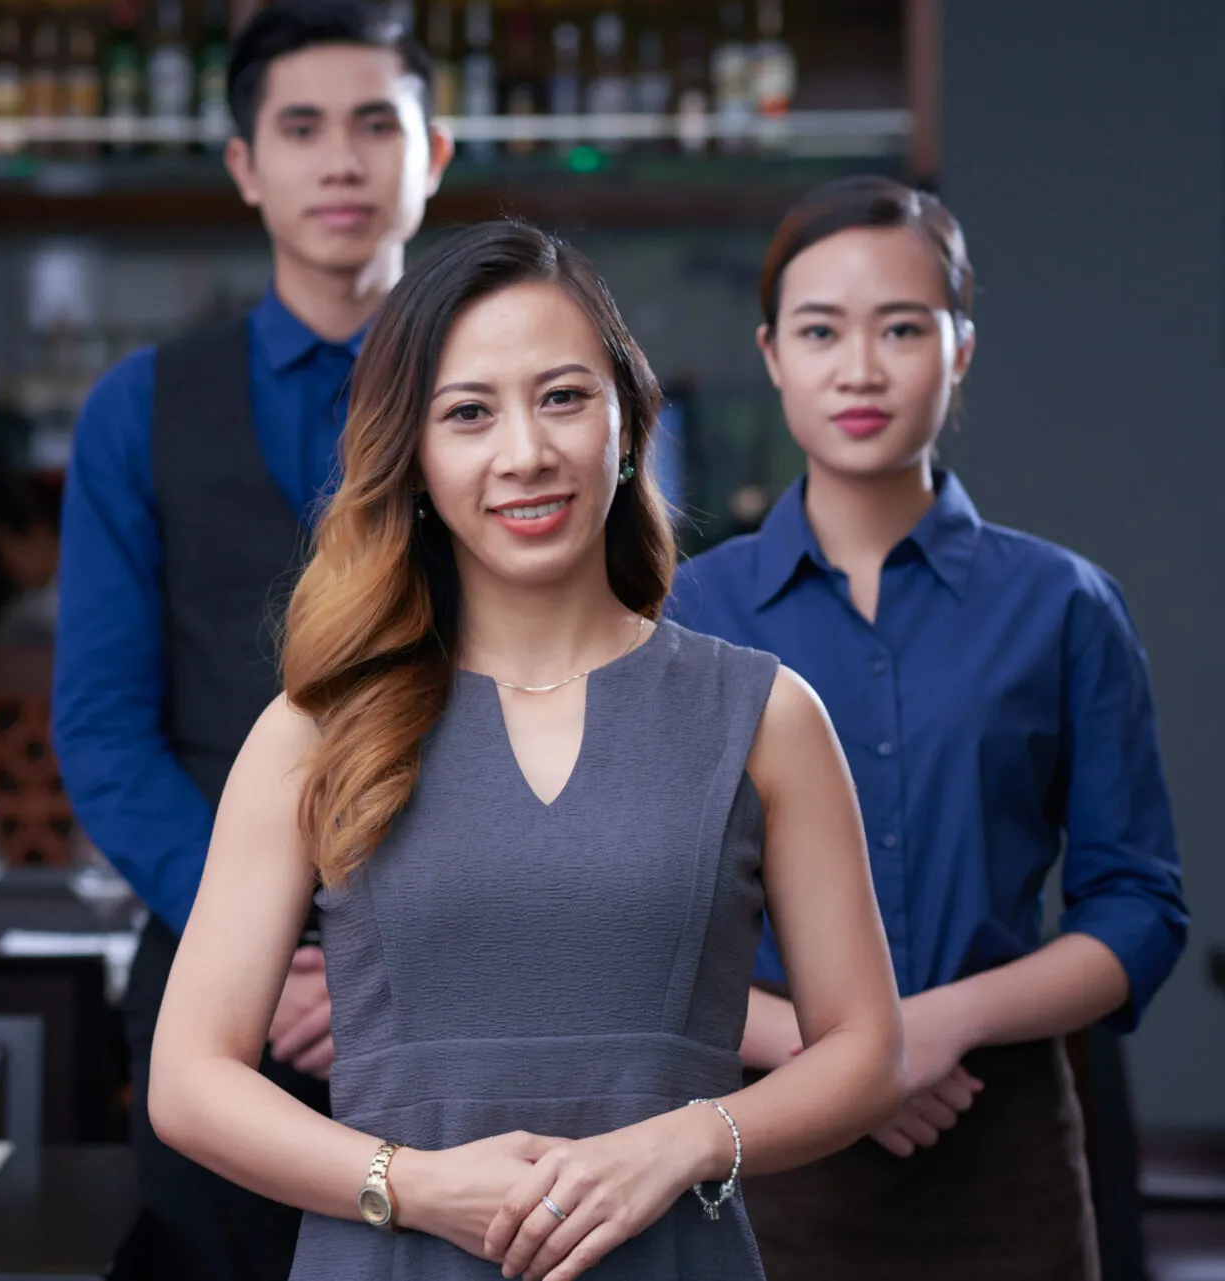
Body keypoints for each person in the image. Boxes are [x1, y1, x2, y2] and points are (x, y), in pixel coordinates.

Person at [147, 219, 907, 1281]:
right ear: (411, 456)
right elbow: (187, 1080)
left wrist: (687, 1142)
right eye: (468, 414)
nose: (525, 453)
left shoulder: (768, 715)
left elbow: (869, 1052)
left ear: (628, 422)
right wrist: (409, 1183)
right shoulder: (312, 733)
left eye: (562, 397)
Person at [668, 176, 1188, 1280]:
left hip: (995, 1137)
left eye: (902, 328)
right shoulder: (683, 616)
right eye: (821, 331)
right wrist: (831, 1054)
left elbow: (1139, 907)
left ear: (958, 350)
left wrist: (929, 1027)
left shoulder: (1063, 606)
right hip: (757, 1137)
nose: (860, 368)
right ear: (772, 355)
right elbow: (627, 919)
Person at [50, 3, 453, 1278]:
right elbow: (104, 730)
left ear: (434, 154)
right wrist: (266, 949)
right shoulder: (141, 409)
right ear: (244, 167)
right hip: (220, 999)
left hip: (473, 970)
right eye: (302, 128)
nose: (341, 162)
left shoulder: (506, 395)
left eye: (376, 124)